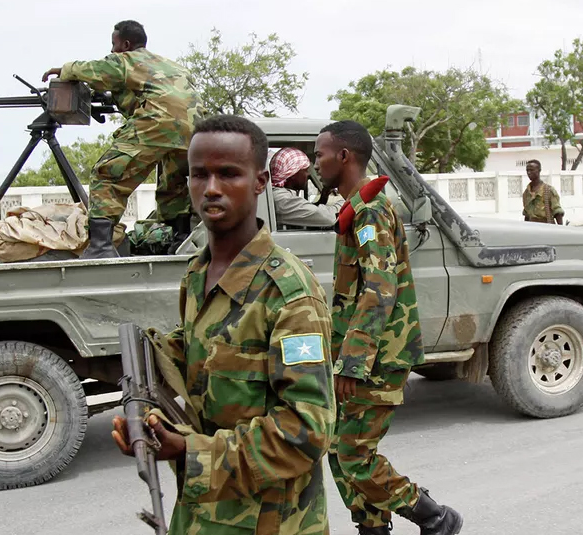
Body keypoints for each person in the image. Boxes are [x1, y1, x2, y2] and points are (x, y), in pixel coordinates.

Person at [110, 115, 335, 534]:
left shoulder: (288, 293)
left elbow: (309, 431)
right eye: (200, 174)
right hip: (203, 515)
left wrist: (189, 453)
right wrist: (147, 402)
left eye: (228, 173)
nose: (211, 188)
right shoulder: (199, 272)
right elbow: (205, 355)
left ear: (260, 181)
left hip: (270, 523)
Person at [315, 120, 463, 535]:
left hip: (377, 356)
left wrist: (351, 362)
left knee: (353, 455)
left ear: (343, 156)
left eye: (319, 153)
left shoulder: (371, 212)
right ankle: (372, 527)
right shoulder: (356, 210)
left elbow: (380, 289)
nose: (315, 162)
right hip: (359, 355)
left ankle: (433, 515)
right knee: (339, 450)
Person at [42, 19, 201, 259]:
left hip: (158, 122)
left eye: (114, 45)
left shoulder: (126, 60)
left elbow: (96, 69)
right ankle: (179, 240)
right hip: (194, 130)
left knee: (107, 173)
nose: (112, 51)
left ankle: (101, 247)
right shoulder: (171, 66)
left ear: (125, 44)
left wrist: (65, 69)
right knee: (173, 181)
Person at [269, 147, 344, 228]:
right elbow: (329, 218)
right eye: (305, 170)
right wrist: (348, 200)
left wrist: (322, 200)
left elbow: (305, 211)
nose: (308, 174)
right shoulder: (282, 199)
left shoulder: (281, 196)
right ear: (293, 173)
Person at [521, 159, 564, 225]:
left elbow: (557, 212)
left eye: (532, 170)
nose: (529, 173)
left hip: (546, 227)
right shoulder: (526, 193)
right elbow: (526, 215)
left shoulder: (548, 190)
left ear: (539, 170)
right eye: (527, 170)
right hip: (531, 228)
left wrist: (561, 230)